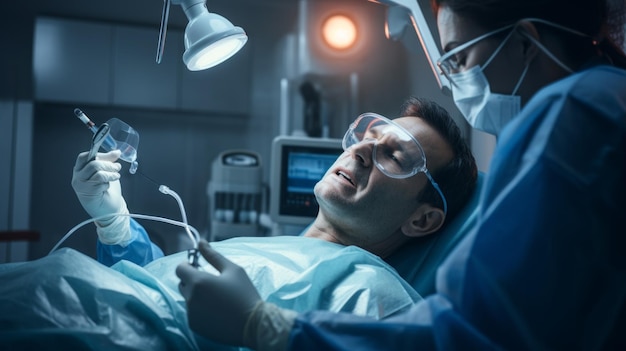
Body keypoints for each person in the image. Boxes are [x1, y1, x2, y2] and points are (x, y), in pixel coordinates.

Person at [173, 0, 626, 350]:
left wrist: (270, 328)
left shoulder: (575, 114)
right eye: (369, 135)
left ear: (526, 40)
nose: (363, 149)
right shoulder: (605, 99)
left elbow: (478, 331)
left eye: (459, 60)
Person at [72, 96, 477, 271]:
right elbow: (155, 293)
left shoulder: (364, 295)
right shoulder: (275, 254)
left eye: (394, 155)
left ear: (422, 220)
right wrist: (116, 226)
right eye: (369, 136)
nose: (361, 151)